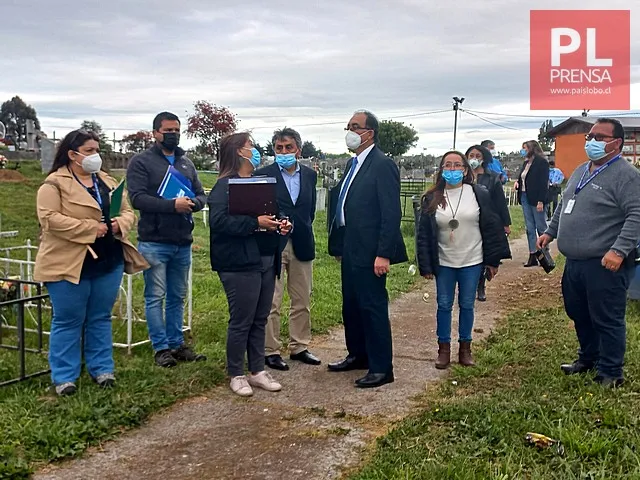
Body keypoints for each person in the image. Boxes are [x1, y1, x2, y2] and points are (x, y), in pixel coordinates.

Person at [34, 129, 148, 396]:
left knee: (99, 317)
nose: (94, 155)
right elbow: (48, 218)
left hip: (108, 261)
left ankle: (102, 368)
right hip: (69, 263)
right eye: (89, 151)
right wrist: (89, 228)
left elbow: (127, 210)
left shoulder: (106, 181)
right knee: (68, 319)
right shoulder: (54, 184)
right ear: (73, 155)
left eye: (96, 150)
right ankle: (64, 376)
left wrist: (122, 223)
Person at [538, 118, 640, 388]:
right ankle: (588, 357)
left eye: (600, 137)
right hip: (575, 262)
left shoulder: (627, 175)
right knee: (579, 312)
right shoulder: (583, 169)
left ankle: (611, 372)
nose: (592, 141)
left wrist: (619, 250)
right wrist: (550, 232)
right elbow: (565, 204)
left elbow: (636, 215)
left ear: (617, 143)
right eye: (590, 136)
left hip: (605, 263)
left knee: (606, 317)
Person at [327, 110, 408, 389]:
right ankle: (358, 354)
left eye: (355, 126)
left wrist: (383, 252)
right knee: (351, 305)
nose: (349, 131)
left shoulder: (382, 164)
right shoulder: (354, 164)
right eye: (348, 126)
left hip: (371, 249)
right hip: (350, 245)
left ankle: (382, 367)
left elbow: (391, 212)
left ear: (369, 133)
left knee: (372, 307)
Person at [208, 132, 292, 396]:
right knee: (241, 319)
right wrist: (255, 223)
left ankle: (257, 370)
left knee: (260, 318)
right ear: (238, 152)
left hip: (266, 258)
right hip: (238, 262)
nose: (255, 150)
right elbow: (218, 222)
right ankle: (236, 373)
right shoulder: (224, 187)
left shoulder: (259, 183)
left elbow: (273, 212)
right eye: (250, 146)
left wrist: (282, 223)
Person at [126, 112, 207, 367]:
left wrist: (193, 204)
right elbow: (137, 198)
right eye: (168, 130)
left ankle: (176, 343)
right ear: (155, 133)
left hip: (182, 241)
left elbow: (201, 195)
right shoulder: (141, 162)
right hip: (154, 241)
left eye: (176, 130)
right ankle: (161, 348)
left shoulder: (186, 163)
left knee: (177, 296)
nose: (173, 134)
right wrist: (172, 205)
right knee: (155, 296)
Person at [417, 151, 510, 369]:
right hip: (444, 262)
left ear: (465, 170)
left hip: (472, 259)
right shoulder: (432, 197)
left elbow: (491, 227)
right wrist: (425, 264)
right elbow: (423, 235)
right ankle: (443, 349)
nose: (452, 169)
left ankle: (465, 349)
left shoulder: (478, 193)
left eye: (457, 165)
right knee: (443, 305)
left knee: (467, 304)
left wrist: (493, 261)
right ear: (441, 170)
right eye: (447, 165)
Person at [255, 128, 320, 371]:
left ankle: (299, 346)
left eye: (288, 148)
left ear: (298, 150)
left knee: (302, 298)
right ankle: (270, 350)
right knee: (272, 299)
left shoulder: (310, 176)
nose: (283, 152)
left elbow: (310, 211)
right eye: (279, 148)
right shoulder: (263, 175)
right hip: (273, 243)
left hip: (302, 241)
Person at [466, 145, 511, 302]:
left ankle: (480, 285)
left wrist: (505, 223)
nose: (474, 158)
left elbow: (500, 203)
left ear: (483, 158)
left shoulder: (492, 177)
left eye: (477, 155)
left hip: (487, 222)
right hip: (467, 222)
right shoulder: (463, 177)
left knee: (484, 254)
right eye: (471, 155)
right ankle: (467, 286)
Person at [515, 140, 549, 267]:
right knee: (529, 228)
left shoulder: (541, 162)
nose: (523, 150)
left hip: (536, 199)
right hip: (524, 196)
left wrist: (541, 200)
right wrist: (518, 183)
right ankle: (532, 254)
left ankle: (544, 254)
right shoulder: (525, 163)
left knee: (541, 227)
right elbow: (523, 177)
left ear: (532, 148)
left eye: (525, 148)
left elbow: (543, 183)